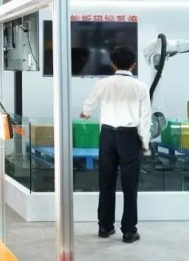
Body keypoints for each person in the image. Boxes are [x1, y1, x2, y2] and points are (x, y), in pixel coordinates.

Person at [79, 45, 151, 244]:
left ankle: (105, 227)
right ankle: (129, 231)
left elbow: (89, 105)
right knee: (130, 186)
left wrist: (86, 113)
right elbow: (145, 118)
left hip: (107, 136)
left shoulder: (103, 83)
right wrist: (145, 142)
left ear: (112, 64)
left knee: (106, 182)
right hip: (130, 137)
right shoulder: (141, 87)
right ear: (133, 65)